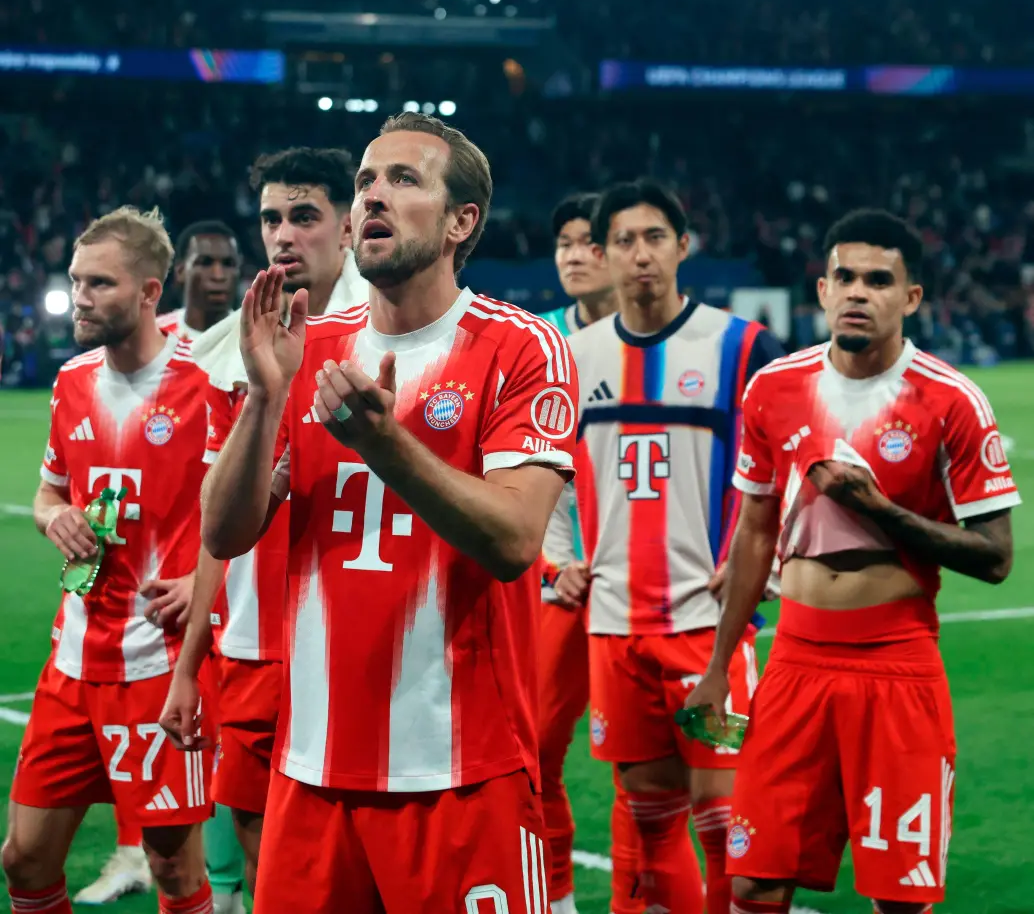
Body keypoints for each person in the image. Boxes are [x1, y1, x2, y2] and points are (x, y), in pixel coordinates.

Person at [167, 112, 578, 913]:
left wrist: (383, 443)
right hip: (311, 764)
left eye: (403, 179)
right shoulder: (306, 347)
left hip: (462, 771)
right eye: (364, 182)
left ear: (463, 222)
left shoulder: (520, 346)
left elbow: (514, 541)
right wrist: (264, 395)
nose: (374, 197)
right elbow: (224, 532)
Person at [686, 209, 1020, 914]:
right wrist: (719, 665)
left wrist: (881, 511)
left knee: (900, 896)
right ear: (822, 288)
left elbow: (995, 558)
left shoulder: (953, 400)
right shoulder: (773, 389)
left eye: (879, 280)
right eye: (846, 277)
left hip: (897, 661)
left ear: (912, 298)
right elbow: (752, 532)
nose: (859, 292)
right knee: (754, 881)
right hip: (796, 662)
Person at [557, 179, 783, 914]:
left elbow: (789, 469)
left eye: (655, 237)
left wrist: (764, 566)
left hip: (707, 631)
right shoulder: (572, 357)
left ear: (684, 246)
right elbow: (542, 478)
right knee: (649, 819)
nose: (641, 254)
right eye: (624, 240)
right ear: (604, 253)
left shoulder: (739, 346)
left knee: (722, 818)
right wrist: (557, 560)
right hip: (613, 626)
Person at [160, 147, 368, 905]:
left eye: (305, 217)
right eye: (273, 218)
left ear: (348, 229)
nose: (284, 235)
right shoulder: (234, 355)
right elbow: (219, 528)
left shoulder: (385, 338)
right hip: (249, 646)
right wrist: (188, 668)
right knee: (263, 858)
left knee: (355, 860)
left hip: (351, 645)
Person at [2, 207, 216, 914]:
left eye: (99, 283)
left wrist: (200, 583)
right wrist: (54, 516)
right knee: (25, 859)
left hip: (158, 664)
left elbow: (252, 515)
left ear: (151, 292)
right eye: (75, 281)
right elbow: (48, 490)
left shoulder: (207, 386)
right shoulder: (71, 381)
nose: (80, 297)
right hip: (72, 661)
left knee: (173, 867)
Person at [78, 218, 242, 908]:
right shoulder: (148, 342)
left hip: (205, 608)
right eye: (204, 261)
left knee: (225, 771)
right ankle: (133, 854)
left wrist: (209, 576)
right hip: (122, 608)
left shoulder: (236, 349)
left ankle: (221, 881)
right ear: (177, 275)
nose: (216, 273)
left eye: (226, 263)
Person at [536, 192, 620, 914]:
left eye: (587, 241)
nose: (571, 254)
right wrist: (553, 564)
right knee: (534, 750)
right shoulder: (542, 345)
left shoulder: (673, 350)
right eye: (563, 242)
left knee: (655, 769)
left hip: (648, 589)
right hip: (561, 583)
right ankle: (556, 895)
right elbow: (518, 472)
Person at [157, 220, 242, 342]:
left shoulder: (256, 341)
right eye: (205, 263)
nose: (218, 276)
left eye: (228, 264)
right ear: (180, 271)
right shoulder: (156, 336)